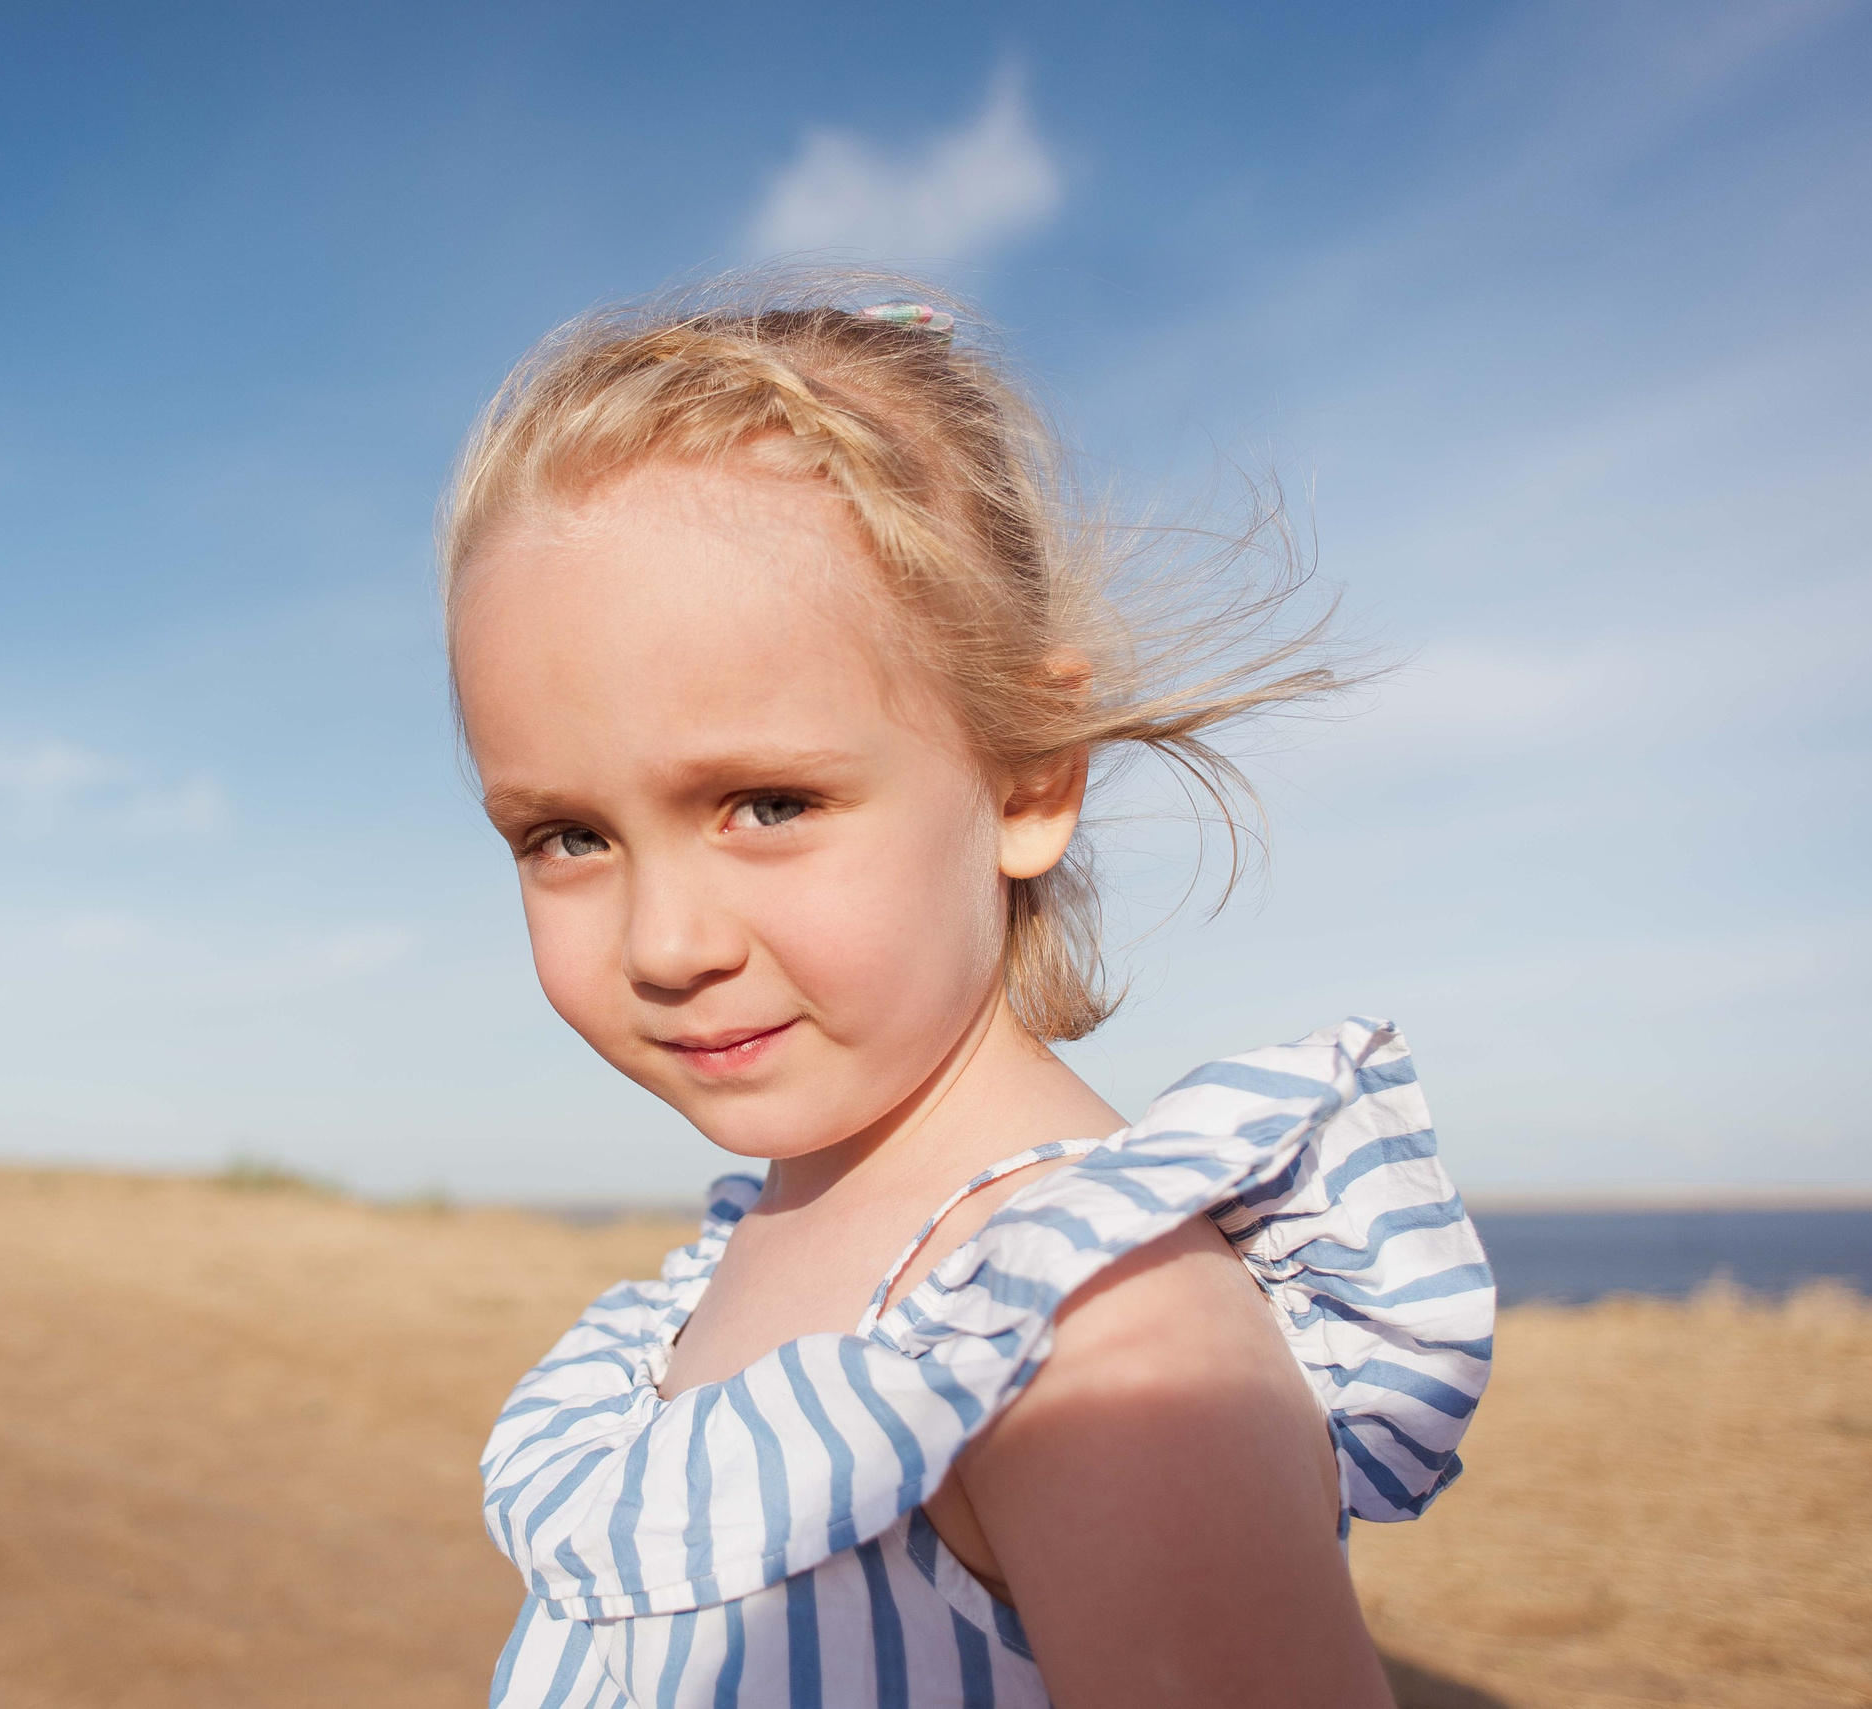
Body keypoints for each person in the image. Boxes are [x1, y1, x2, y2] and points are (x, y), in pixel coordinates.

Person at [444, 277, 1492, 1709]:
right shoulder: (775, 1233)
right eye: (567, 835)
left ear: (1026, 777)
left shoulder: (1100, 1340)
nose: (665, 940)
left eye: (766, 801)